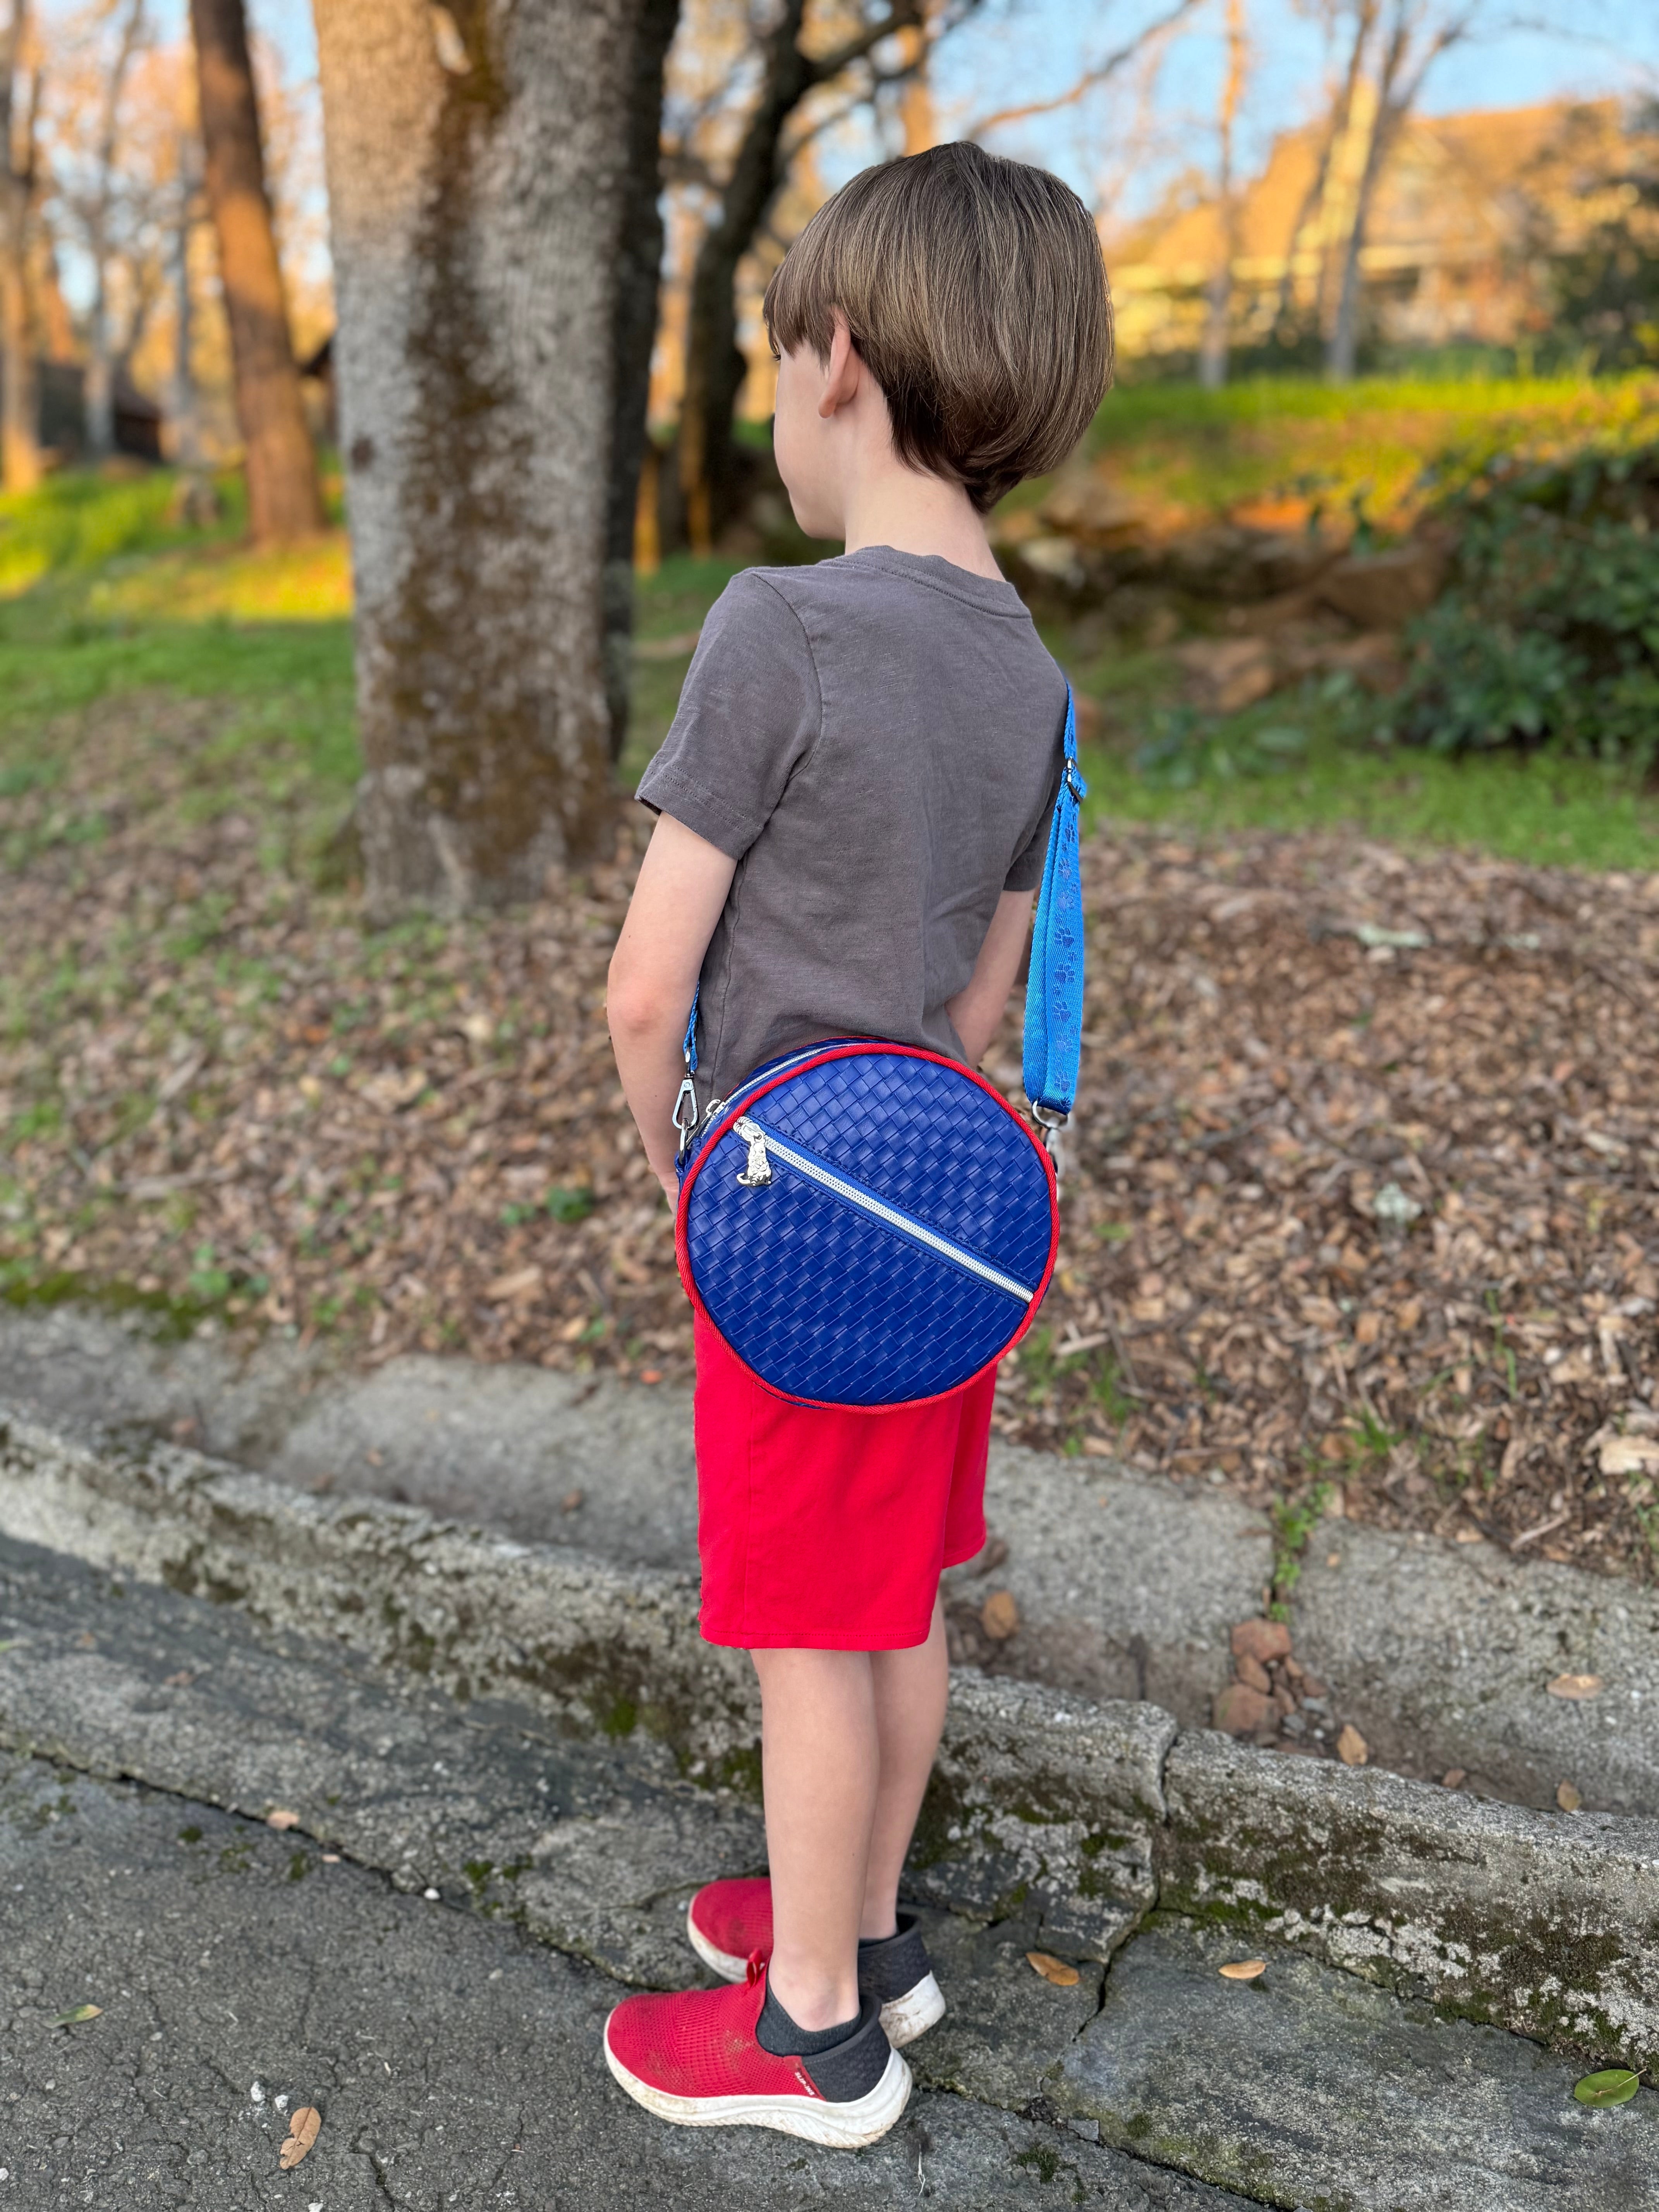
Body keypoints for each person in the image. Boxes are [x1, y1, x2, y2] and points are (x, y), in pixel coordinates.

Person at [602, 139, 1113, 2149]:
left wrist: (680, 1164)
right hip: (947, 1218)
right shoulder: (1035, 674)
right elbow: (982, 1007)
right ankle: (872, 1923)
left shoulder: (776, 629)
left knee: (807, 1629)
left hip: (792, 1220)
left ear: (832, 358)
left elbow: (650, 992)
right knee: (886, 1593)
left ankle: (815, 2031)